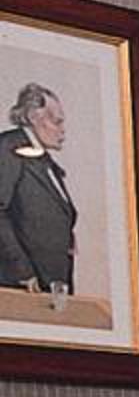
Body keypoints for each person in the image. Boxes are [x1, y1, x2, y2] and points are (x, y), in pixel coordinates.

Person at [0, 82, 78, 296]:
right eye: (57, 121)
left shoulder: (44, 161)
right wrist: (22, 272)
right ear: (34, 117)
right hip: (24, 287)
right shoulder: (9, 147)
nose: (63, 129)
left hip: (50, 287)